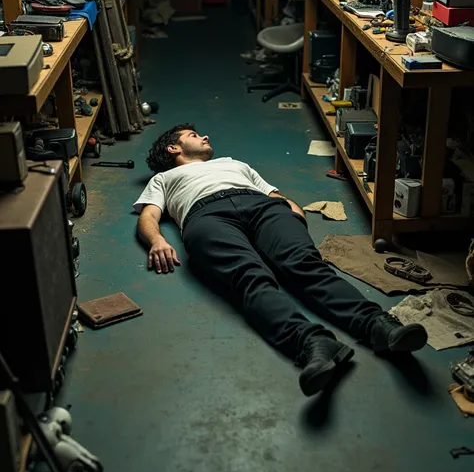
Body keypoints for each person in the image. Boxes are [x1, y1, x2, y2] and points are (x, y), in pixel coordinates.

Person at [135, 124, 427, 397]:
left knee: (306, 265)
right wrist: (157, 240)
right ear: (174, 148)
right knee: (250, 278)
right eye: (193, 135)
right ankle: (312, 343)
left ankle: (378, 326)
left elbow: (273, 193)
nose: (205, 137)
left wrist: (293, 213)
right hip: (206, 216)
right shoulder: (163, 179)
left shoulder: (235, 164)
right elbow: (149, 215)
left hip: (263, 207)